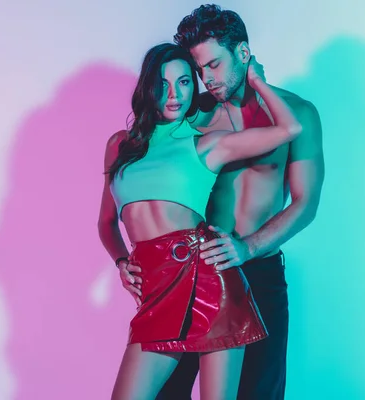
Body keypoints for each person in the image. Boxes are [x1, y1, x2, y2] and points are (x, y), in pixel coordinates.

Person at [119, 5, 325, 400]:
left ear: (243, 53)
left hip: (260, 272)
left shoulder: (297, 113)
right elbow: (146, 179)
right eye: (199, 70)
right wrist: (128, 258)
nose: (206, 80)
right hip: (192, 275)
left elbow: (305, 202)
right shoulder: (191, 116)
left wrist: (248, 247)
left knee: (256, 394)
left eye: (214, 64)